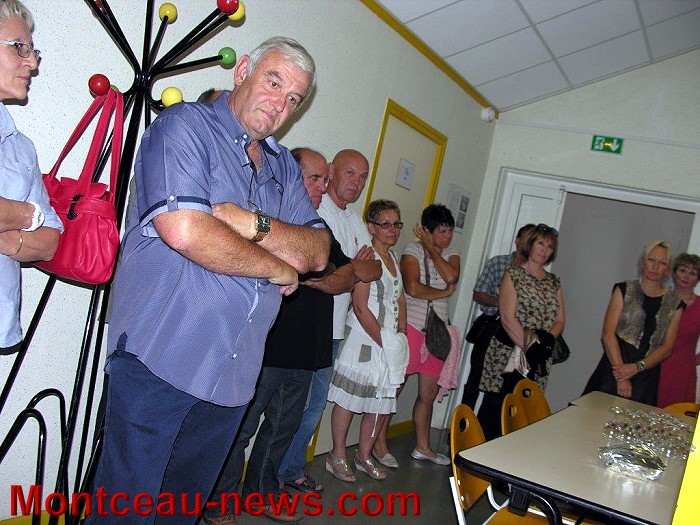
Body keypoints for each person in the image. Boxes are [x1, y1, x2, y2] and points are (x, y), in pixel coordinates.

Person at [90, 37, 330, 525]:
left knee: (180, 515)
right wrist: (276, 265)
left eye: (293, 98)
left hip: (233, 377)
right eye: (273, 82)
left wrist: (249, 223)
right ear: (242, 71)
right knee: (124, 516)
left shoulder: (284, 167)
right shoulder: (184, 127)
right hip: (160, 360)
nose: (279, 104)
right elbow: (185, 230)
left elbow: (317, 251)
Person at [204, 148, 354, 525]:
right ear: (291, 178)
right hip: (264, 349)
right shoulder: (263, 220)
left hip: (305, 352)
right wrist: (313, 273)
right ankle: (219, 502)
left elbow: (351, 275)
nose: (322, 186)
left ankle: (261, 496)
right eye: (315, 178)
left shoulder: (317, 229)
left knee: (281, 430)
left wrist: (312, 275)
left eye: (325, 180)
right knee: (239, 429)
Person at [278, 149, 381, 487]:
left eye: (363, 178)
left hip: (335, 331)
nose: (357, 183)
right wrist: (353, 267)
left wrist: (348, 268)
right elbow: (322, 271)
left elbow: (374, 269)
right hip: (305, 325)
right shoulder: (316, 208)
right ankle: (276, 475)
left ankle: (290, 471)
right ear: (333, 171)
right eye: (350, 173)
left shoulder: (354, 220)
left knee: (312, 410)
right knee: (289, 410)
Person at [326, 199, 408, 482]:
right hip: (364, 338)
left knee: (379, 401)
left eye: (396, 224)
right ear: (371, 227)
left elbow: (399, 298)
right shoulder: (367, 257)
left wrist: (401, 334)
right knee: (350, 399)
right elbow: (360, 307)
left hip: (388, 340)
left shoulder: (393, 258)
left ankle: (364, 454)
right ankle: (337, 455)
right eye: (386, 224)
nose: (393, 230)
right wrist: (385, 340)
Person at [372, 204, 460, 467]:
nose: (447, 237)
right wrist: (444, 292)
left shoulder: (450, 253)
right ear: (427, 231)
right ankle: (378, 443)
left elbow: (451, 275)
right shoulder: (412, 250)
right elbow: (412, 288)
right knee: (396, 387)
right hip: (413, 326)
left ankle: (423, 447)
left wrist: (432, 249)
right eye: (441, 232)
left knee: (428, 393)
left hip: (438, 332)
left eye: (449, 231)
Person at [0, 0, 62, 356]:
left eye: (32, 50)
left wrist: (11, 239)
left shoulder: (20, 148)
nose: (33, 63)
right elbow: (37, 221)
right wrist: (26, 214)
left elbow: (50, 241)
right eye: (18, 47)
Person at [477, 224, 565, 440]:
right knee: (496, 407)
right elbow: (507, 317)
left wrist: (544, 344)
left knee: (524, 410)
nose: (544, 250)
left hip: (539, 355)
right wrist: (529, 347)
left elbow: (560, 320)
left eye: (549, 246)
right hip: (509, 352)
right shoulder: (513, 274)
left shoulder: (554, 282)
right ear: (530, 245)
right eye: (541, 243)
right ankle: (478, 453)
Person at [583, 240, 683, 406]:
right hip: (613, 368)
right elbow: (608, 335)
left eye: (662, 263)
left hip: (646, 377)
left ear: (668, 269)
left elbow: (667, 348)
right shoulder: (624, 289)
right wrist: (621, 375)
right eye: (651, 259)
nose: (655, 266)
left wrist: (637, 368)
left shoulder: (675, 303)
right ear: (643, 262)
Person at [461, 224, 535, 408]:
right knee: (476, 378)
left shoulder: (534, 273)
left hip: (517, 333)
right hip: (492, 326)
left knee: (503, 385)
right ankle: (462, 423)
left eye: (533, 241)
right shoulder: (498, 262)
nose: (529, 244)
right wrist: (501, 303)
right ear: (517, 240)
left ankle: (489, 424)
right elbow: (478, 293)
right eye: (526, 239)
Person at [658, 253, 700, 407]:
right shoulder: (660, 299)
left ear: (697, 279)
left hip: (682, 374)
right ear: (674, 273)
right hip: (655, 367)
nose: (686, 276)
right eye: (683, 270)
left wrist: (691, 361)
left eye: (692, 273)